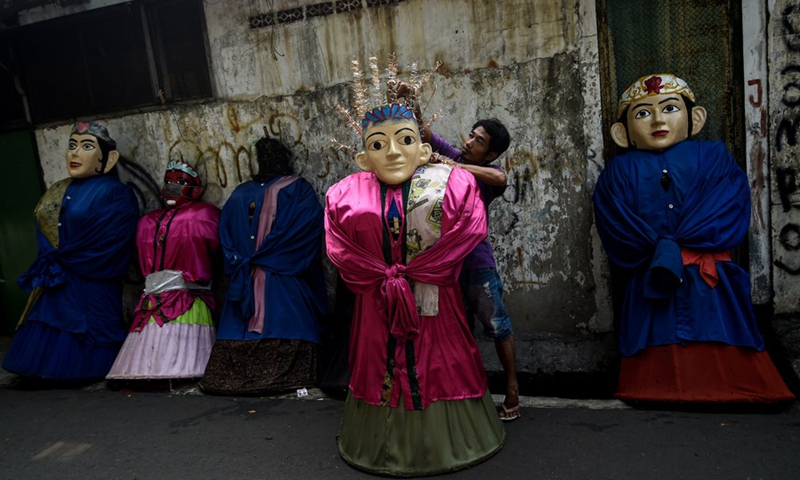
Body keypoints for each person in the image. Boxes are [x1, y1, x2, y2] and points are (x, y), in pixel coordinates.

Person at [325, 100, 505, 476]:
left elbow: (470, 229)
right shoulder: (344, 195)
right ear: (364, 158)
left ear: (422, 151)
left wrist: (421, 269)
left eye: (405, 140)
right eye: (378, 144)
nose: (392, 152)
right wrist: (386, 274)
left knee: (440, 361)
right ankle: (379, 443)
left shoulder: (455, 183)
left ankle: (453, 438)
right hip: (377, 306)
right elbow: (341, 250)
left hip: (437, 302)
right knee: (381, 363)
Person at [593, 73, 795, 403]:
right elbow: (615, 222)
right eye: (642, 113)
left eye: (670, 108)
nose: (658, 120)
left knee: (715, 322)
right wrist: (659, 247)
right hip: (652, 272)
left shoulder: (713, 156)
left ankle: (727, 387)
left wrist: (674, 242)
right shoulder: (618, 171)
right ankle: (655, 388)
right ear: (622, 132)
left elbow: (729, 206)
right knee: (658, 327)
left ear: (695, 119)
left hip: (705, 272)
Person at [2, 122, 139, 382]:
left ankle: (86, 370)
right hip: (59, 277)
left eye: (86, 146)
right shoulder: (60, 189)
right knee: (53, 321)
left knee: (90, 326)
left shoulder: (115, 193)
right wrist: (53, 255)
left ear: (109, 159)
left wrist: (70, 257)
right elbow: (46, 228)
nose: (75, 153)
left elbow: (114, 239)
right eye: (72, 146)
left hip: (91, 277)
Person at [199, 136, 327, 395]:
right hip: (280, 278)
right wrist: (269, 256)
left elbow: (225, 235)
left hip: (249, 276)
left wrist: (239, 259)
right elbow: (306, 232)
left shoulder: (241, 193)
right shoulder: (297, 190)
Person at [106, 160, 220, 381]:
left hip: (187, 292)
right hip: (155, 292)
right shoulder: (147, 222)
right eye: (168, 181)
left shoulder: (203, 215)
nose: (172, 187)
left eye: (180, 182)